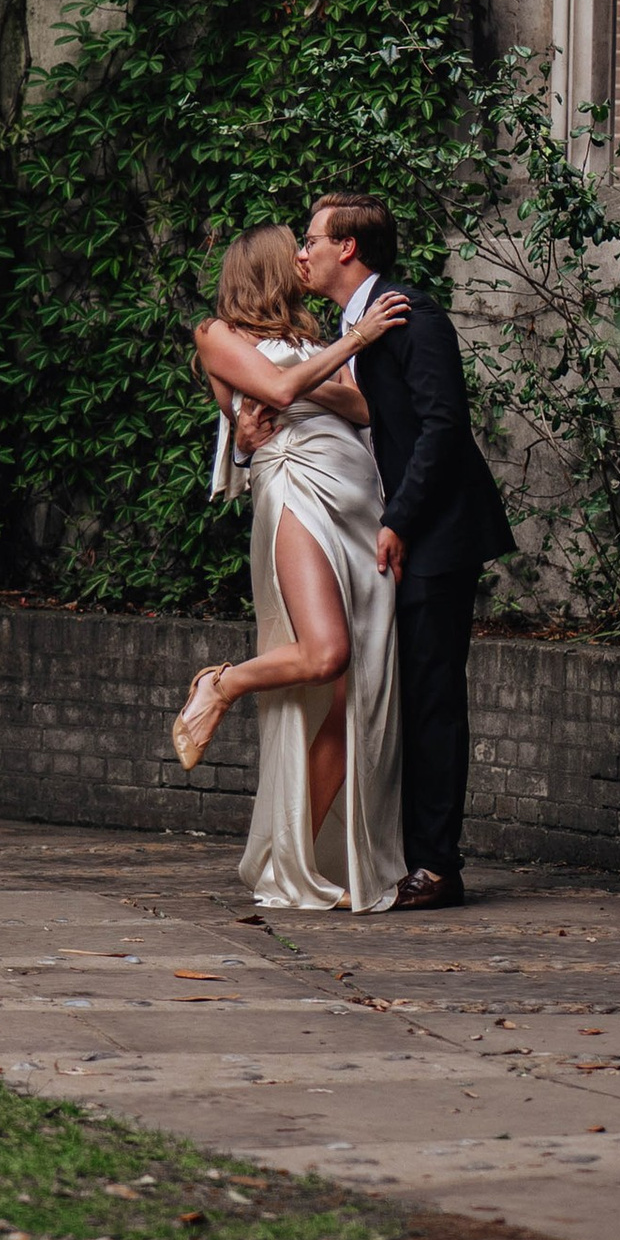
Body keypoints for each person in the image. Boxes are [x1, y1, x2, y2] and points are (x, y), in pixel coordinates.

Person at [173, 223, 410, 915]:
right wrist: (352, 348)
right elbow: (275, 389)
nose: (308, 257)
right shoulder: (217, 334)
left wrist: (318, 375)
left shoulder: (315, 337)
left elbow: (361, 405)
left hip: (359, 500)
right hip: (299, 491)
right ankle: (223, 684)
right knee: (325, 655)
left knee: (350, 695)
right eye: (297, 249)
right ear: (270, 266)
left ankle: (295, 861)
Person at [298, 192, 510, 910]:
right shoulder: (352, 321)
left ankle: (437, 867)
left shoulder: (411, 314)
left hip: (437, 535)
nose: (305, 251)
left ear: (347, 248)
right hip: (392, 535)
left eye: (313, 238)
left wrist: (400, 519)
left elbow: (443, 425)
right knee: (403, 693)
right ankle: (399, 853)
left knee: (432, 700)